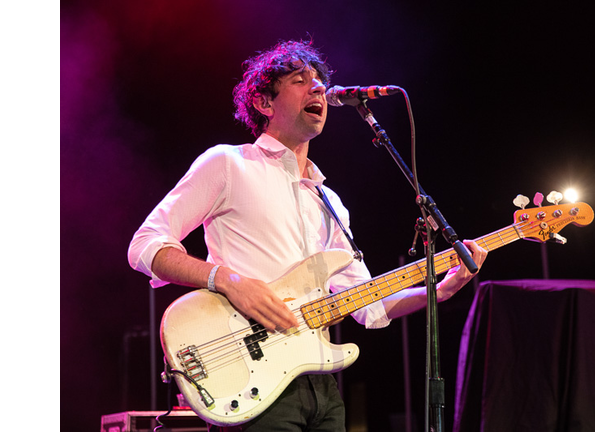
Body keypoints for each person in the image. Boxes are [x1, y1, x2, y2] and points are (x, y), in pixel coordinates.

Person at [128, 39, 487, 432]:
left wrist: (440, 291)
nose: (317, 87)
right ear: (264, 103)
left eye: (319, 81)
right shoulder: (229, 164)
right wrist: (229, 280)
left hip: (321, 388)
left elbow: (369, 306)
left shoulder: (329, 201)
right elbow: (146, 245)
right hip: (251, 381)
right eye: (300, 80)